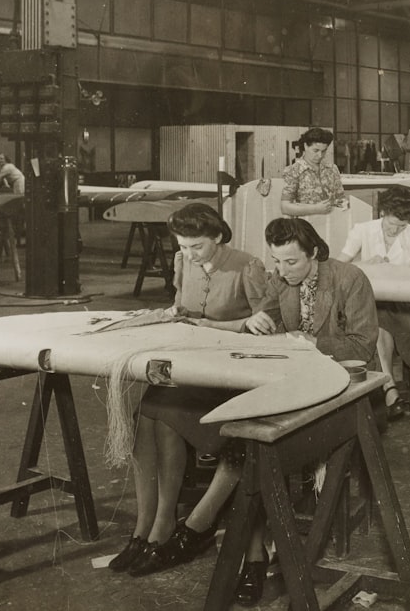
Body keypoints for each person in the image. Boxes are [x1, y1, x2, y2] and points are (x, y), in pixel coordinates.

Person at [108, 203, 269, 579]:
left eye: (197, 246)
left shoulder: (247, 266)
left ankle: (163, 527)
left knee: (161, 412)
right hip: (192, 366)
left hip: (231, 374)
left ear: (217, 237)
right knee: (149, 412)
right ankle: (146, 527)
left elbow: (266, 324)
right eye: (182, 246)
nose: (189, 254)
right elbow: (181, 307)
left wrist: (207, 325)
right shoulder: (183, 262)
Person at [239, 218, 378, 605]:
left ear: (315, 253)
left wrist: (312, 341)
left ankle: (272, 545)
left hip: (347, 384)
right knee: (253, 436)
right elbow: (264, 321)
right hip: (299, 379)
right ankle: (261, 546)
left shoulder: (350, 279)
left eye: (291, 263)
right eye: (276, 262)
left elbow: (363, 346)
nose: (281, 272)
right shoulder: (282, 278)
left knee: (269, 440)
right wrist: (255, 322)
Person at [338, 186, 410, 420]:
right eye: (391, 224)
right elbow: (338, 267)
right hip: (370, 303)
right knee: (375, 322)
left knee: (373, 321)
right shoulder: (362, 230)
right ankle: (389, 387)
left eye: (402, 226)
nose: (395, 230)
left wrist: (391, 271)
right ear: (382, 213)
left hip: (404, 305)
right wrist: (366, 264)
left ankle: (386, 388)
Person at [280, 127, 345, 216]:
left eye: (323, 151)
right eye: (315, 150)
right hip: (305, 225)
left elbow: (341, 199)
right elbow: (285, 207)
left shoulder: (332, 169)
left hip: (331, 223)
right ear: (306, 146)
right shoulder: (293, 170)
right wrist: (314, 209)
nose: (319, 155)